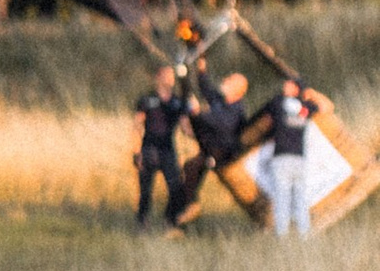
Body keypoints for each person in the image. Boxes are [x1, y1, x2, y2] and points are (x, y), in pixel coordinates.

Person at [171, 67, 256, 226]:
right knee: (190, 169)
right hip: (208, 149)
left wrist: (198, 113)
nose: (225, 80)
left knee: (193, 166)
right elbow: (206, 88)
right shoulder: (220, 100)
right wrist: (202, 69)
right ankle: (187, 208)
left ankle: (189, 207)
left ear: (238, 90)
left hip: (222, 154)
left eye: (230, 80)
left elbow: (219, 123)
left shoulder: (237, 110)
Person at [262, 71, 333, 240]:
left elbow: (327, 108)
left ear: (295, 88)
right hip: (294, 158)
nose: (285, 85)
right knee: (296, 199)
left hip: (287, 158)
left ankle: (285, 236)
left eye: (290, 84)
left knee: (285, 199)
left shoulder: (278, 102)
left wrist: (310, 93)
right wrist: (311, 95)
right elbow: (325, 106)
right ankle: (302, 235)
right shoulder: (305, 107)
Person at [132, 67, 185, 231]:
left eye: (172, 76)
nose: (170, 79)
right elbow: (136, 126)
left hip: (168, 150)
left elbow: (186, 127)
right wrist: (136, 152)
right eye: (166, 76)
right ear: (158, 78)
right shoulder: (147, 99)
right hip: (149, 148)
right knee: (146, 189)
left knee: (175, 187)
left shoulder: (177, 102)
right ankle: (142, 221)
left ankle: (170, 220)